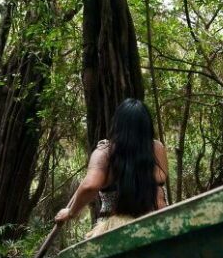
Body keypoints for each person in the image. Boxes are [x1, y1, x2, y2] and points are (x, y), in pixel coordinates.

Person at [55, 98, 169, 238]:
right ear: (147, 126)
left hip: (115, 229)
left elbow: (90, 185)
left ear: (117, 124)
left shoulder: (104, 153)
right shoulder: (157, 148)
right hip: (156, 223)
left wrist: (70, 212)